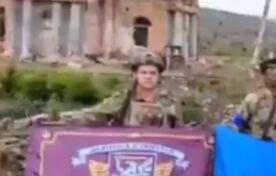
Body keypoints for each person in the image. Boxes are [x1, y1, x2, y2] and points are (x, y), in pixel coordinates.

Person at [45, 50, 181, 127]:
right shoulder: (124, 98)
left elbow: (181, 132)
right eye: (143, 73)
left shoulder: (170, 102)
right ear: (135, 75)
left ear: (159, 76)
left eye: (152, 73)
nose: (148, 77)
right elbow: (93, 114)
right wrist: (57, 118)